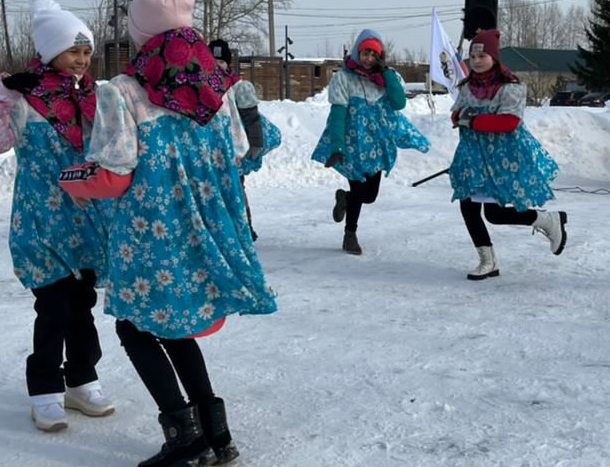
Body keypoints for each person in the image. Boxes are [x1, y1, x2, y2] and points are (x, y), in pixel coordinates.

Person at [60, 0, 277, 467]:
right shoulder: (215, 87)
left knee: (135, 326)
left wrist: (72, 180)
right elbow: (241, 154)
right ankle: (214, 431)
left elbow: (113, 176)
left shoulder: (125, 91)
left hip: (149, 235)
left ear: (140, 32)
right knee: (173, 326)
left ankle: (183, 438)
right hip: (201, 227)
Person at [0, 0, 115, 433]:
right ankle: (45, 389)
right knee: (52, 307)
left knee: (84, 305)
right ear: (51, 51)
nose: (81, 60)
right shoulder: (25, 97)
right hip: (40, 219)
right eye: (73, 51)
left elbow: (112, 147)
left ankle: (81, 380)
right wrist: (0, 95)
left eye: (86, 52)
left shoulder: (92, 95)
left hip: (87, 218)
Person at [448, 29, 567, 280]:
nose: (477, 61)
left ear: (494, 57)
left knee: (495, 213)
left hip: (501, 157)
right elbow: (456, 113)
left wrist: (474, 120)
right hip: (473, 156)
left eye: (483, 56)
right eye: (473, 56)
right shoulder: (467, 86)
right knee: (468, 207)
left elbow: (509, 122)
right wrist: (461, 117)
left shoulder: (509, 86)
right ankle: (487, 260)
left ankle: (547, 220)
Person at [311, 28, 430, 255]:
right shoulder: (344, 78)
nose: (368, 59)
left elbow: (398, 103)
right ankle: (350, 235)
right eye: (365, 53)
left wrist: (385, 74)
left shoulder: (387, 77)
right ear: (357, 52)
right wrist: (337, 145)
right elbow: (337, 114)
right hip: (353, 142)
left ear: (380, 56)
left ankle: (344, 198)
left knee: (370, 195)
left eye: (373, 55)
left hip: (377, 142)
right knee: (358, 187)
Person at [210, 38, 282, 240]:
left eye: (221, 61)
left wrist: (256, 143)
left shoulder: (238, 87)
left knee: (236, 186)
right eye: (212, 60)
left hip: (235, 148)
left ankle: (245, 227)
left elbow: (251, 117)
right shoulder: (201, 86)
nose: (217, 65)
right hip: (211, 149)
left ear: (228, 63)